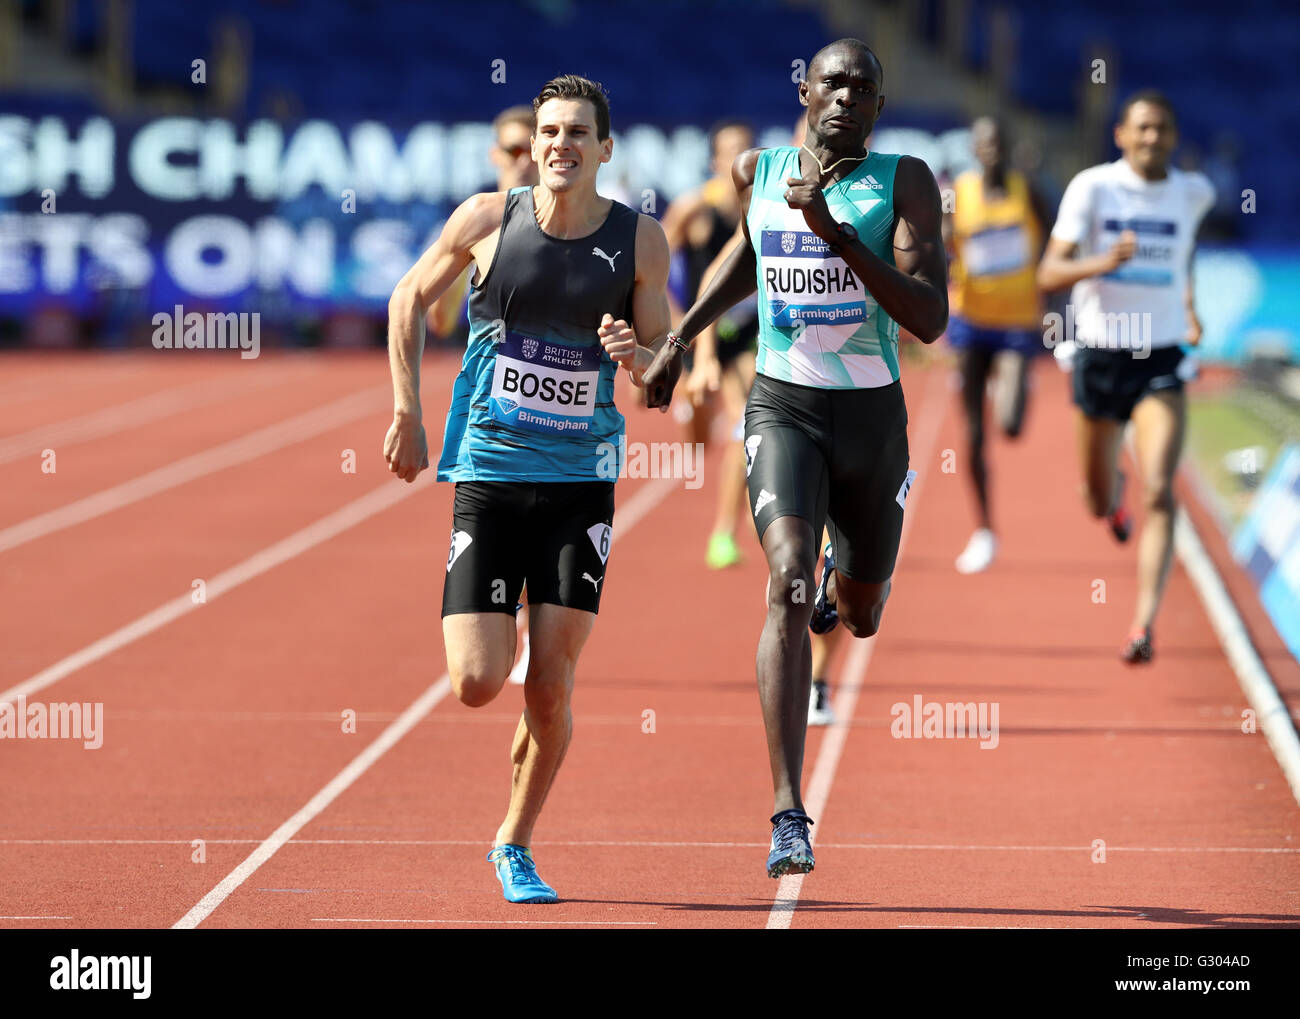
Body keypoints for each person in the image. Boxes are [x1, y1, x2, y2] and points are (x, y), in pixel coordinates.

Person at [641, 38, 948, 877]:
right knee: (784, 580)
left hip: (872, 423)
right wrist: (679, 338)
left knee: (861, 612)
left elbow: (928, 320)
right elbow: (746, 255)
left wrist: (840, 237)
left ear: (880, 109)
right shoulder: (760, 170)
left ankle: (836, 593)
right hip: (783, 406)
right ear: (804, 90)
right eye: (834, 82)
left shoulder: (906, 182)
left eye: (865, 88)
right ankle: (788, 812)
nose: (847, 97)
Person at [383, 74, 672, 902]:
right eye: (549, 130)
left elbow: (662, 378)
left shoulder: (639, 242)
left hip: (580, 484)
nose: (560, 144)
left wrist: (638, 358)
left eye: (578, 132)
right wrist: (408, 409)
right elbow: (408, 296)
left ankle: (514, 840)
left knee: (549, 683)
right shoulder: (486, 220)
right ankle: (503, 617)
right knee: (477, 681)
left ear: (605, 149)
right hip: (490, 472)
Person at [1037, 91, 1213, 664]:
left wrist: (1187, 304)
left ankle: (1143, 626)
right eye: (1141, 129)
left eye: (1161, 129)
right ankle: (1112, 505)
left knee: (1161, 486)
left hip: (1160, 354)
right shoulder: (1093, 187)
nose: (1151, 138)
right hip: (1100, 353)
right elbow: (1048, 272)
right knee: (1093, 496)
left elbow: (1182, 254)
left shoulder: (1193, 192)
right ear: (1121, 134)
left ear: (1174, 136)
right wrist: (1102, 262)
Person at [428, 105, 542, 685]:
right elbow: (438, 318)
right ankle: (505, 621)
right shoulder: (476, 221)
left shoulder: (572, 223)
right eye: (513, 149)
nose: (525, 157)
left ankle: (531, 627)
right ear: (496, 156)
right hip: (489, 418)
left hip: (556, 423)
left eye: (533, 145)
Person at [944, 116, 1051, 573]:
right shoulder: (958, 194)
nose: (990, 149)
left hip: (1015, 324)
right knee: (971, 432)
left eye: (997, 142)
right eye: (983, 143)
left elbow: (1056, 241)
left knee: (1009, 424)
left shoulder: (1029, 191)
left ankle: (1015, 383)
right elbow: (939, 246)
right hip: (970, 321)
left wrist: (1046, 288)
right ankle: (985, 529)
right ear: (974, 148)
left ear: (1007, 146)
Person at [662, 120, 760, 569]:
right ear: (715, 161)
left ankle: (724, 532)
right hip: (700, 329)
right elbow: (651, 264)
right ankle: (694, 410)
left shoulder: (763, 208)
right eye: (730, 151)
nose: (739, 158)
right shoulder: (694, 209)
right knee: (698, 444)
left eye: (747, 149)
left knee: (746, 425)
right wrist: (673, 324)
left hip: (746, 333)